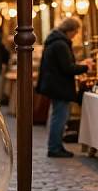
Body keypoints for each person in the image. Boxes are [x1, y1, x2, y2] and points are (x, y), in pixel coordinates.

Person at [36, 17, 92, 158]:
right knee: (60, 117)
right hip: (59, 86)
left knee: (58, 116)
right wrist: (86, 67)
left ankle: (56, 145)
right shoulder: (60, 44)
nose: (76, 34)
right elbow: (67, 67)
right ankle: (55, 148)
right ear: (70, 30)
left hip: (54, 85)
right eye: (76, 31)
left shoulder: (54, 41)